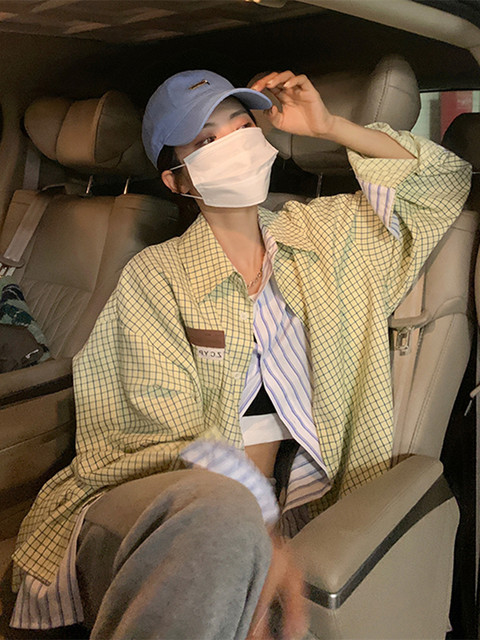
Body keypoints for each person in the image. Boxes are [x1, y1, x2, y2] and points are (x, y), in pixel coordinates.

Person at [10, 69, 471, 640]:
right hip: (196, 504)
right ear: (179, 180)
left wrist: (331, 126)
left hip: (311, 496)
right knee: (219, 530)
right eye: (206, 140)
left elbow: (444, 182)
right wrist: (251, 523)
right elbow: (154, 436)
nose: (233, 145)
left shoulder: (327, 234)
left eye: (242, 126)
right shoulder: (156, 277)